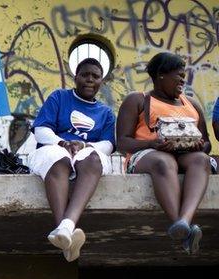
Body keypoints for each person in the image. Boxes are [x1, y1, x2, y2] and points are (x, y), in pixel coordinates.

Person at [117, 52, 213, 254]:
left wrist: (198, 146)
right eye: (178, 75)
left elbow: (207, 144)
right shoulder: (137, 100)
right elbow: (123, 143)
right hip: (148, 155)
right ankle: (181, 225)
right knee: (164, 161)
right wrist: (152, 143)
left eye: (183, 75)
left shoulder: (192, 105)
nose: (182, 79)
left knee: (202, 160)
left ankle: (184, 222)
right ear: (161, 75)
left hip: (186, 155)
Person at [28, 58, 115, 262]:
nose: (90, 80)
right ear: (76, 77)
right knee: (59, 159)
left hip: (85, 155)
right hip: (53, 150)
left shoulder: (106, 113)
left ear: (102, 81)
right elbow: (41, 130)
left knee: (93, 159)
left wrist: (84, 146)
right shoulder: (59, 97)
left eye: (95, 76)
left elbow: (109, 145)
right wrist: (62, 143)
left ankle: (63, 231)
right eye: (85, 75)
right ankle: (66, 228)